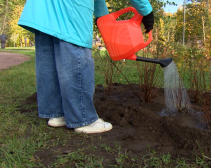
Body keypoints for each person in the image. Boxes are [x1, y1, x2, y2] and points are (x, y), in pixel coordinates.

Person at [18, 0, 154, 134]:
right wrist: (146, 10)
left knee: (49, 59)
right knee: (75, 54)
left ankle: (57, 113)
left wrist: (102, 17)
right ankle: (83, 119)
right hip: (70, 8)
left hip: (41, 9)